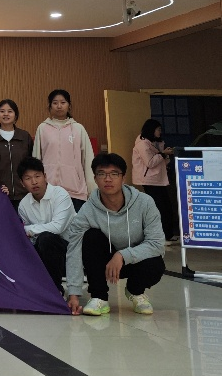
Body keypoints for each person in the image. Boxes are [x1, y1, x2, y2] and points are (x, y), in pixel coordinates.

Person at [67, 153, 166, 316]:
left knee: (155, 265)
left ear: (123, 178)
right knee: (91, 236)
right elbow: (74, 249)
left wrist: (122, 255)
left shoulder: (145, 203)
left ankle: (135, 291)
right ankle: (99, 297)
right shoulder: (88, 210)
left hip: (134, 261)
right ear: (95, 178)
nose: (108, 179)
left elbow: (157, 244)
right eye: (101, 174)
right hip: (104, 262)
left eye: (114, 174)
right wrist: (73, 293)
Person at [17, 157, 74, 293]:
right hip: (42, 250)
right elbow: (28, 239)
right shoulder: (23, 205)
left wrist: (27, 229)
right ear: (22, 183)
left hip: (69, 249)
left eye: (37, 176)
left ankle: (55, 290)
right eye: (28, 178)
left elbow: (58, 227)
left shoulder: (60, 194)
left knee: (46, 238)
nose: (34, 182)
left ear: (45, 176)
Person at [32, 89, 95, 209]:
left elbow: (88, 160)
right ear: (50, 106)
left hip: (76, 191)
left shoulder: (78, 128)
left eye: (63, 102)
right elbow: (36, 159)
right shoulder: (42, 128)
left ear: (69, 105)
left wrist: (92, 189)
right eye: (55, 103)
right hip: (48, 191)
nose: (59, 106)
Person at [132, 119, 178, 241]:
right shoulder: (142, 144)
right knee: (160, 207)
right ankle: (161, 235)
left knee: (166, 207)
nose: (160, 132)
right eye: (158, 129)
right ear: (151, 129)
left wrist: (166, 155)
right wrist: (162, 154)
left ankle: (168, 234)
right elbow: (150, 162)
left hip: (158, 179)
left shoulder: (155, 143)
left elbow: (162, 162)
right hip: (149, 180)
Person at [0, 99, 33, 206]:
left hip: (24, 193)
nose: (6, 114)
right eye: (2, 111)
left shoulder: (24, 136)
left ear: (15, 115)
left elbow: (31, 162)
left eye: (10, 111)